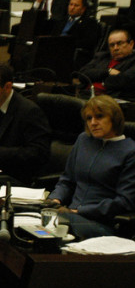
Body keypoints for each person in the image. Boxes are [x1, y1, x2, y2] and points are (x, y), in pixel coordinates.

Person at [48, 96, 135, 240]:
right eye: (89, 118)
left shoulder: (130, 151)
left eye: (99, 116)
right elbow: (67, 180)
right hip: (70, 215)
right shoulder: (83, 140)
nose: (93, 123)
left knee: (56, 226)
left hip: (101, 223)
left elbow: (125, 201)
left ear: (114, 118)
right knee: (31, 217)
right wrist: (55, 199)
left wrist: (80, 211)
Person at [80, 29, 135, 100]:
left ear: (131, 44)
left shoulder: (132, 60)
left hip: (113, 100)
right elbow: (82, 74)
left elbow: (124, 81)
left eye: (120, 43)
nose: (115, 48)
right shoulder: (102, 57)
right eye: (112, 45)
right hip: (86, 95)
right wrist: (108, 71)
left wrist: (97, 79)